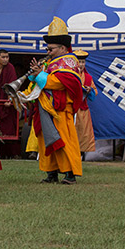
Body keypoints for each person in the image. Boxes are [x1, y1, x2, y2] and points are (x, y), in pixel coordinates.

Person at [25, 17, 83, 184]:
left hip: (60, 110)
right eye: (47, 49)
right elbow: (41, 82)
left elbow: (58, 83)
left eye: (51, 49)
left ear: (63, 48)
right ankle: (51, 173)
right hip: (45, 108)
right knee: (46, 141)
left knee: (64, 141)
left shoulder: (69, 62)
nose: (48, 52)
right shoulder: (51, 62)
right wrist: (34, 75)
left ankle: (70, 174)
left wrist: (40, 75)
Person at [0, 49, 20, 158]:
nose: (5, 59)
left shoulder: (10, 68)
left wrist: (10, 99)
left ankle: (10, 154)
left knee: (8, 129)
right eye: (3, 57)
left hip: (6, 103)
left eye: (7, 57)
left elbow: (13, 85)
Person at [73, 50, 96, 156]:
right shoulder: (70, 75)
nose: (81, 65)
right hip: (71, 109)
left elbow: (94, 93)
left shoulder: (88, 77)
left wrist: (90, 90)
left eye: (83, 62)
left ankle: (81, 153)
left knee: (83, 132)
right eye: (79, 62)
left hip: (82, 110)